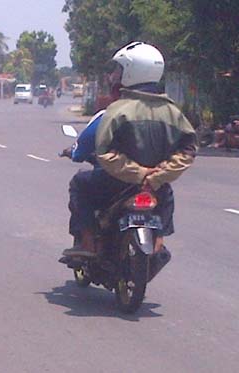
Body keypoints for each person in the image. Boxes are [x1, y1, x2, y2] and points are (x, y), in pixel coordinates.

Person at [63, 41, 197, 258]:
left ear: (132, 72)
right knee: (166, 193)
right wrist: (158, 175)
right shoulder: (174, 112)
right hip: (156, 185)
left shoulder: (117, 111)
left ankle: (87, 242)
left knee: (79, 183)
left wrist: (139, 173)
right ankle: (159, 241)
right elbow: (188, 150)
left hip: (114, 184)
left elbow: (105, 151)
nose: (114, 75)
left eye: (119, 69)